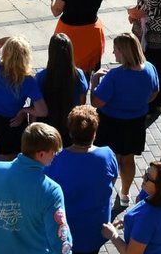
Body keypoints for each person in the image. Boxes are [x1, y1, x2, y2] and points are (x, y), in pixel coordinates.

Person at [0, 123, 70, 254]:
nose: (55, 155)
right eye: (54, 152)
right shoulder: (51, 190)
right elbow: (60, 237)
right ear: (41, 154)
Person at [92, 32, 159, 203]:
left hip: (111, 123)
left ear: (123, 51)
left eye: (115, 50)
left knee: (110, 159)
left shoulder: (115, 75)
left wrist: (94, 82)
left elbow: (96, 102)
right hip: (136, 123)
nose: (113, 53)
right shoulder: (150, 68)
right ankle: (125, 194)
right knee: (128, 158)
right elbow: (155, 92)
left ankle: (105, 193)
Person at [46, 106, 118, 254]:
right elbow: (112, 181)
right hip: (95, 230)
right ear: (94, 133)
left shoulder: (56, 160)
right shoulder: (108, 155)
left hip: (65, 231)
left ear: (70, 132)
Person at [0, 36, 47, 158]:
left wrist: (9, 39)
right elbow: (42, 111)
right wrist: (24, 110)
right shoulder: (28, 81)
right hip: (14, 124)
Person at [101, 160, 161, 254]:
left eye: (148, 177)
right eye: (146, 173)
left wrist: (112, 235)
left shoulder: (147, 218)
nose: (143, 177)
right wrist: (130, 220)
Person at [51, 0, 105, 74]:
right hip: (92, 30)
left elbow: (56, 11)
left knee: (66, 68)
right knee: (88, 70)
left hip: (69, 32)